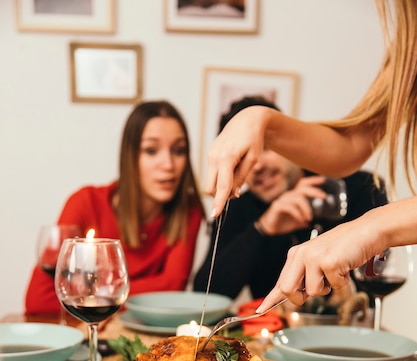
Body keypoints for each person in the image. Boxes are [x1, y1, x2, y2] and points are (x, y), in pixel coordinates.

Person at [204, 0, 417, 311]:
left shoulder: (360, 189)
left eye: (269, 149)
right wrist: (259, 119)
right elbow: (350, 145)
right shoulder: (408, 44)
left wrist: (370, 228)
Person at [194, 96, 387, 301]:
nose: (257, 166)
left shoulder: (362, 188)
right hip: (270, 330)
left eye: (266, 148)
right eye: (242, 158)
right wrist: (261, 229)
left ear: (287, 144)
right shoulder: (237, 207)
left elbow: (376, 275)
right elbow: (204, 295)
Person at [25, 100, 205, 315]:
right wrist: (143, 290)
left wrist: (92, 289)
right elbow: (38, 299)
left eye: (179, 150)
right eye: (151, 150)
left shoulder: (188, 210)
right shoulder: (85, 202)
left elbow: (172, 288)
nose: (168, 164)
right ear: (129, 156)